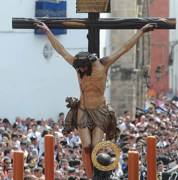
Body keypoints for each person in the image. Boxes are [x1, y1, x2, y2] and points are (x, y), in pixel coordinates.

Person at [35, 21, 155, 178]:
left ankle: (99, 174)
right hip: (83, 110)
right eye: (79, 68)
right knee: (86, 146)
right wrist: (47, 31)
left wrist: (140, 31)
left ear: (89, 64)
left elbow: (124, 48)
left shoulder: (103, 64)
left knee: (96, 147)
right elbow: (62, 51)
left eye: (83, 68)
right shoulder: (78, 66)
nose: (80, 70)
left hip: (100, 110)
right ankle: (91, 176)